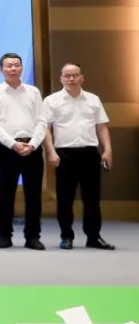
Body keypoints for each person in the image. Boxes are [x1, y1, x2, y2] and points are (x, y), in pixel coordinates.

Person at [40, 63, 115, 250]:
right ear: (61, 78)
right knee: (65, 199)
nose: (71, 79)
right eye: (67, 75)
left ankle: (94, 237)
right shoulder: (51, 101)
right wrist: (50, 151)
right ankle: (66, 236)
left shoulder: (93, 99)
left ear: (82, 77)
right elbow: (46, 129)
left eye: (75, 75)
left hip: (90, 153)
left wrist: (107, 150)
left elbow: (101, 127)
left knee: (92, 199)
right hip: (64, 155)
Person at [0, 53, 46, 249]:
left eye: (16, 65)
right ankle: (4, 235)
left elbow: (41, 121)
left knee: (34, 194)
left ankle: (33, 236)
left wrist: (34, 144)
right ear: (1, 69)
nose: (13, 69)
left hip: (32, 148)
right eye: (8, 65)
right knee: (5, 193)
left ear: (21, 67)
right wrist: (12, 144)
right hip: (7, 149)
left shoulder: (33, 91)